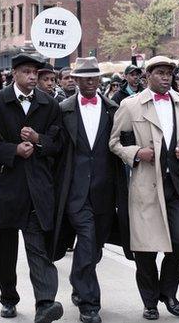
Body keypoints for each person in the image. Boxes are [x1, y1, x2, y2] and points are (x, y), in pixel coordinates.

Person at [109, 56, 179, 320]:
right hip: (145, 186)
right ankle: (150, 301)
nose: (165, 77)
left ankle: (168, 293)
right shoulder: (130, 105)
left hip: (177, 185)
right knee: (145, 250)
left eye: (168, 73)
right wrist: (137, 152)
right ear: (147, 76)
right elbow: (114, 143)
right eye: (159, 72)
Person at [0, 52, 64, 323]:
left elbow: (57, 142)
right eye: (26, 72)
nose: (31, 77)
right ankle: (8, 297)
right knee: (3, 250)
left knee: (39, 247)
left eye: (34, 73)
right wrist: (12, 149)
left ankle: (46, 302)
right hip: (5, 186)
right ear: (13, 73)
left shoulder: (48, 104)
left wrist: (39, 140)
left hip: (37, 188)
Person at [53, 57, 130, 323]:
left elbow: (123, 145)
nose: (90, 82)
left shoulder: (112, 109)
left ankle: (78, 280)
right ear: (74, 80)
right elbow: (55, 149)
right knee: (86, 241)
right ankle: (90, 303)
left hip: (104, 191)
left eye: (94, 77)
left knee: (94, 248)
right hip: (74, 192)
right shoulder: (62, 109)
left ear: (99, 80)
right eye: (84, 77)